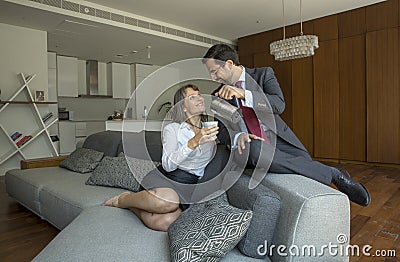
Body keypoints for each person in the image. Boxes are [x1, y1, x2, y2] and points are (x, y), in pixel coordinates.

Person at [202, 44, 371, 207]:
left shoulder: (263, 74)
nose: (212, 78)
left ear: (229, 64)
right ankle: (335, 175)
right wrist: (239, 136)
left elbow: (278, 104)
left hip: (278, 137)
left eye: (214, 72)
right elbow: (221, 132)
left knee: (305, 163)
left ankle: (329, 191)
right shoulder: (217, 95)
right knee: (255, 149)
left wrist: (244, 94)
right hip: (250, 145)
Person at [103, 84, 219, 231]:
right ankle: (123, 200)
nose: (200, 98)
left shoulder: (210, 128)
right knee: (169, 201)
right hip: (167, 177)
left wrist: (241, 137)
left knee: (165, 223)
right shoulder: (173, 129)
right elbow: (168, 165)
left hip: (189, 184)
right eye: (192, 97)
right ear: (183, 107)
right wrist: (194, 142)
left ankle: (133, 207)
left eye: (199, 94)